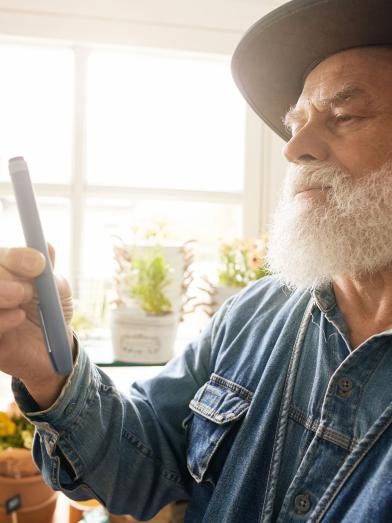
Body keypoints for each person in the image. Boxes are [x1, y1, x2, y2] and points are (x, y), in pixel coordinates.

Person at [1, 0, 392, 520]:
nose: (294, 147)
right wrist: (52, 369)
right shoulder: (256, 312)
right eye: (296, 123)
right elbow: (145, 467)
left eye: (343, 115)